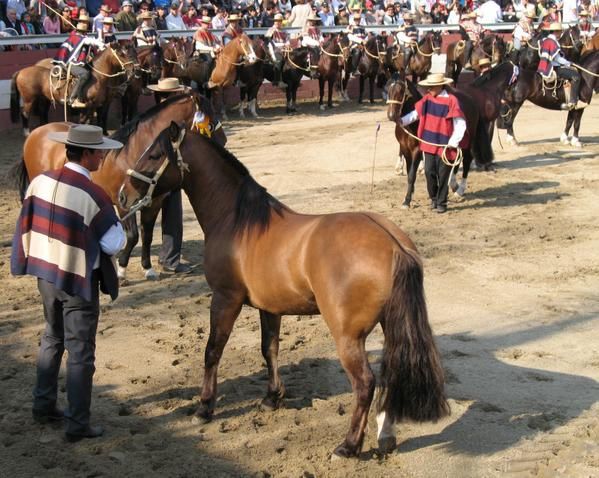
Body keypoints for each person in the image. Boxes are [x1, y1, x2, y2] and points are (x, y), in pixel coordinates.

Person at [11, 124, 125, 442]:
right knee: (80, 352)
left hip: (45, 274)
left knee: (51, 338)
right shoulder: (93, 194)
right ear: (86, 154)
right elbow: (114, 244)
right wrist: (118, 222)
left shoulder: (40, 182)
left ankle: (43, 406)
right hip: (76, 280)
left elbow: (26, 223)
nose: (103, 156)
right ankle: (77, 424)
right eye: (99, 150)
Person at [398, 73, 467, 214]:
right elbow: (415, 115)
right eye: (428, 87)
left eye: (431, 87)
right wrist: (402, 121)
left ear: (440, 86)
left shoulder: (451, 100)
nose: (428, 90)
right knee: (429, 172)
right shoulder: (427, 100)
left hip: (445, 146)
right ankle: (434, 199)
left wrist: (454, 142)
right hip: (428, 144)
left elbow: (460, 123)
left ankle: (441, 203)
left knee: (443, 175)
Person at [146, 78, 194, 274]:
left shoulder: (150, 116)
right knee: (173, 214)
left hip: (145, 171)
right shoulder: (173, 117)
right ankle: (169, 259)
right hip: (165, 173)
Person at [52, 21, 106, 108]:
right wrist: (101, 44)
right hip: (68, 63)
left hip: (70, 61)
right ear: (84, 32)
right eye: (85, 32)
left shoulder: (77, 38)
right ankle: (72, 99)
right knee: (84, 74)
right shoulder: (79, 38)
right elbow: (90, 41)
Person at [537, 22, 587, 110]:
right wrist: (569, 63)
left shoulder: (546, 40)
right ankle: (573, 101)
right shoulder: (552, 42)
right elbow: (558, 59)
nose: (561, 33)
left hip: (544, 67)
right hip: (552, 68)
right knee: (576, 76)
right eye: (560, 31)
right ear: (556, 31)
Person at [265, 13, 289, 88]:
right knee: (278, 60)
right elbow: (270, 42)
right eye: (276, 21)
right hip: (274, 49)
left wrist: (287, 44)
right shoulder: (271, 30)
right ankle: (277, 80)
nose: (278, 23)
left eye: (279, 21)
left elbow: (287, 39)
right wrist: (282, 45)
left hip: (284, 48)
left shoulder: (284, 31)